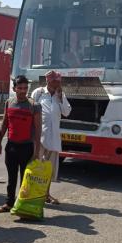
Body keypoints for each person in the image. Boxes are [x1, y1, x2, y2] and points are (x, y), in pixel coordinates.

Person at [0, 75, 42, 213]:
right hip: (11, 147)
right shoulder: (9, 102)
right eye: (20, 88)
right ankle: (9, 203)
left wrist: (37, 151)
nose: (23, 90)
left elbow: (38, 130)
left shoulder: (34, 106)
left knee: (25, 180)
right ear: (14, 88)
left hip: (27, 148)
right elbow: (4, 124)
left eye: (25, 88)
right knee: (11, 178)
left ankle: (23, 207)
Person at [31, 70, 72, 204]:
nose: (58, 83)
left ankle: (46, 194)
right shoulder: (38, 93)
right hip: (39, 136)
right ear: (48, 81)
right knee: (36, 167)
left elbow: (67, 112)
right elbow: (30, 111)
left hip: (54, 137)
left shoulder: (61, 95)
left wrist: (60, 98)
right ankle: (34, 194)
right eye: (55, 81)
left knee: (49, 168)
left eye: (59, 81)